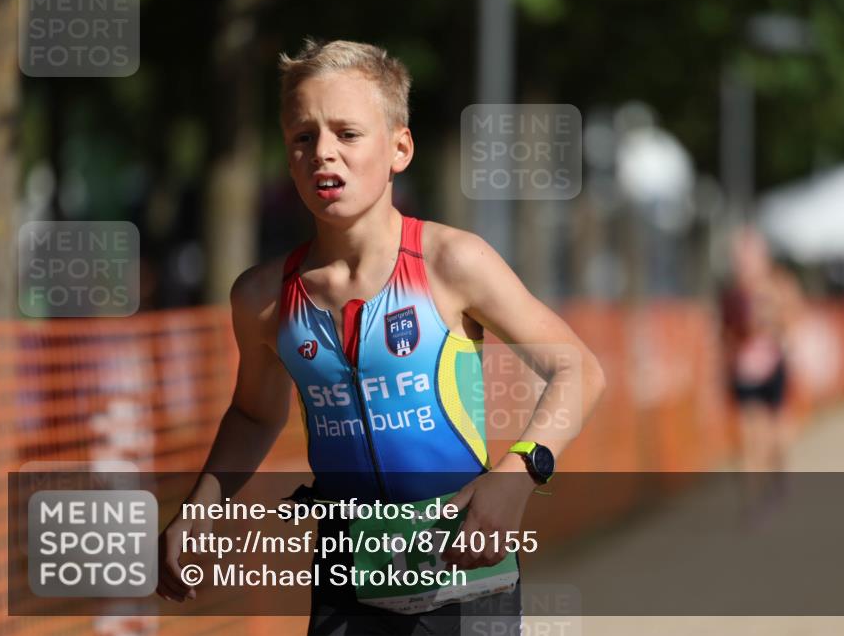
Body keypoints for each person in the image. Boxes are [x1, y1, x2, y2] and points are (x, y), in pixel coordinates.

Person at [156, 39, 606, 634]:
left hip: (465, 571)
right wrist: (200, 509)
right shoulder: (262, 298)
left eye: (347, 134)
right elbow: (253, 414)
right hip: (347, 577)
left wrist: (518, 476)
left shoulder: (452, 261)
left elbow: (579, 370)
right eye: (302, 136)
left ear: (400, 147)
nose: (323, 154)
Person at [719, 227, 798, 524]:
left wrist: (773, 323)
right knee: (749, 436)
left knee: (775, 435)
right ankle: (752, 501)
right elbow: (726, 334)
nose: (744, 264)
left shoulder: (778, 286)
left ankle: (777, 478)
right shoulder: (731, 294)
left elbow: (791, 321)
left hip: (772, 368)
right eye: (740, 258)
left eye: (749, 257)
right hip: (743, 371)